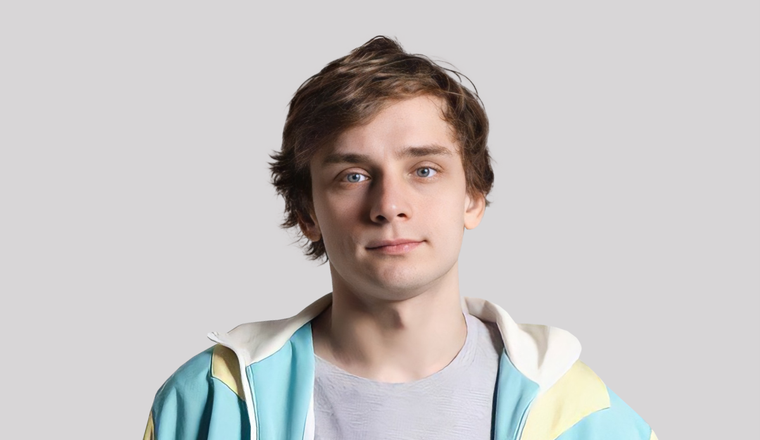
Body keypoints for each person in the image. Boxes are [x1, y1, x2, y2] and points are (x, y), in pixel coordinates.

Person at [143, 36, 657, 440]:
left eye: (424, 170)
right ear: (306, 213)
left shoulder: (580, 413)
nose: (389, 205)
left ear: (473, 197)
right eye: (353, 176)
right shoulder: (212, 400)